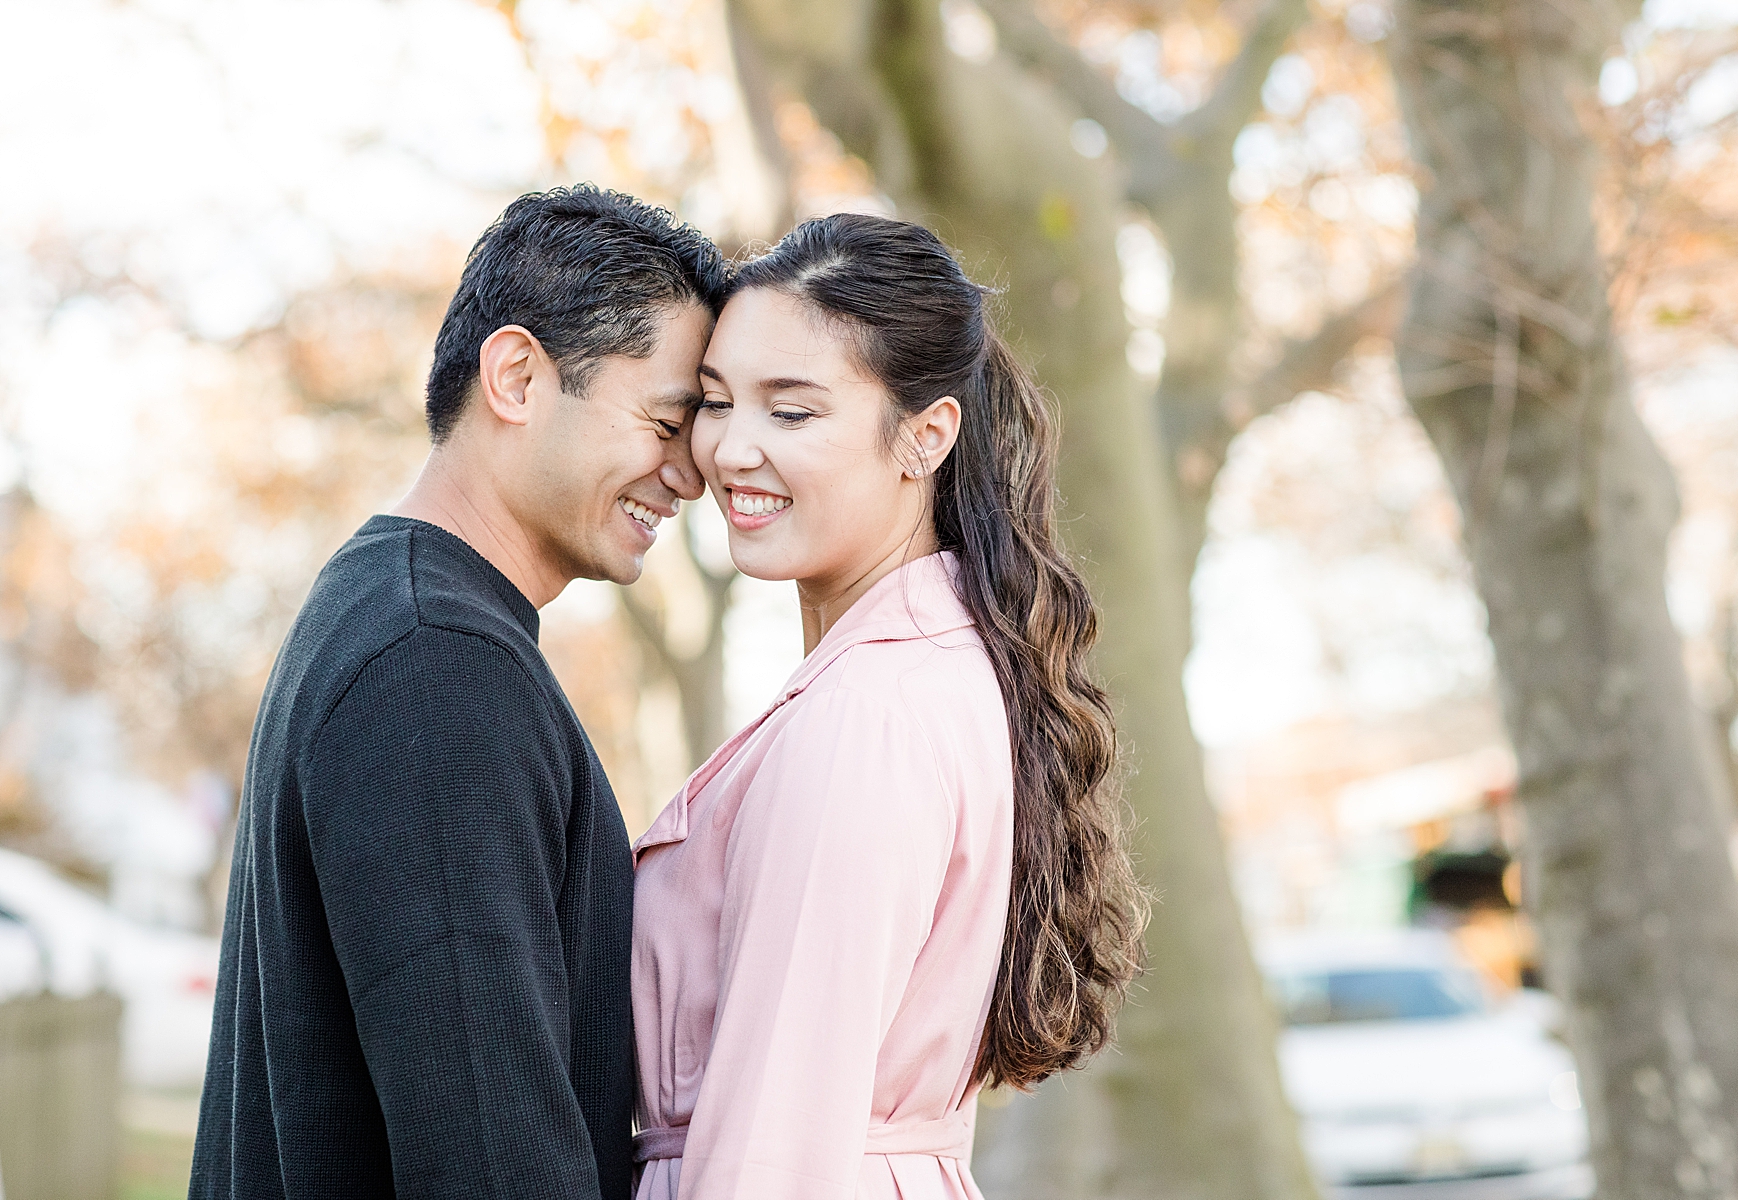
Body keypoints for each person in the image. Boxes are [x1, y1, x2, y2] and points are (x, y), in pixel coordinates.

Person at [190, 186, 726, 1200]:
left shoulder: (399, 618)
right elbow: (489, 1156)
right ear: (518, 376)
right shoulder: (435, 666)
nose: (688, 476)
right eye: (666, 421)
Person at [630, 213, 1150, 1200]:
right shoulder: (928, 674)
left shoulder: (867, 718)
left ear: (925, 436)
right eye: (714, 403)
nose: (731, 450)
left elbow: (773, 1159)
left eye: (791, 412)